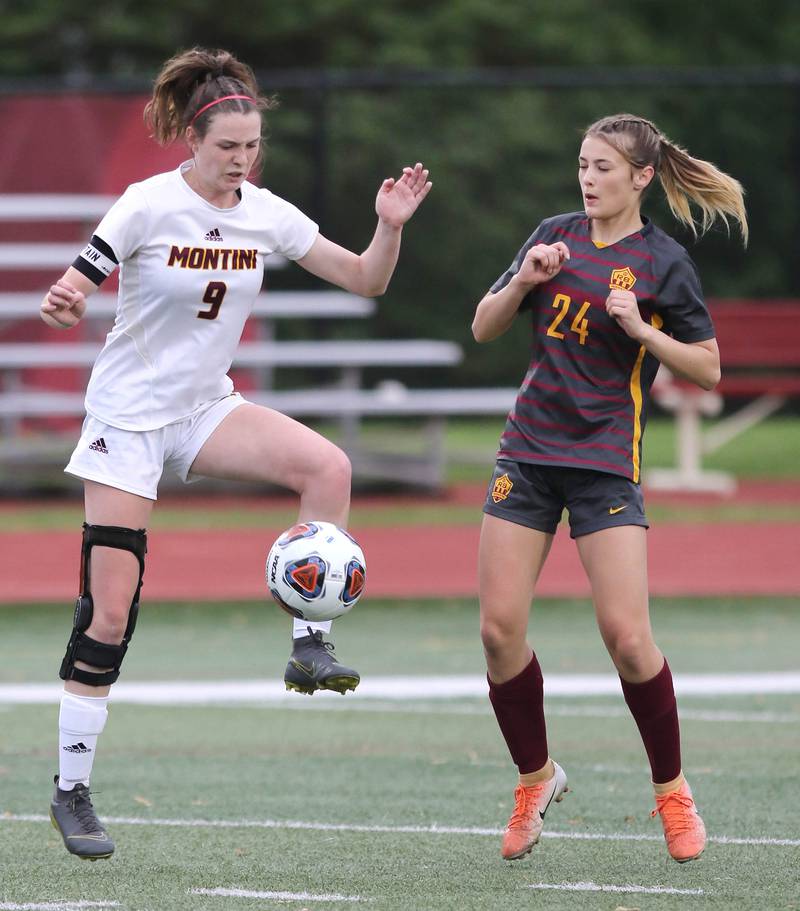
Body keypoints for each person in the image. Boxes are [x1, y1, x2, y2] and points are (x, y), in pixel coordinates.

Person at [41, 47, 431, 860]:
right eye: (228, 149)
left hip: (203, 408)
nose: (242, 163)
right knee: (110, 611)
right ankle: (72, 787)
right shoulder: (147, 204)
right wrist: (69, 296)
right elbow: (83, 277)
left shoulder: (264, 210)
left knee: (328, 467)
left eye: (253, 149)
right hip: (128, 419)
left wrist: (387, 228)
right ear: (193, 139)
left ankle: (307, 643)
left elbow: (364, 280)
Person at [472, 114, 747, 864]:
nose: (588, 179)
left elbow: (709, 368)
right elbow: (484, 324)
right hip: (527, 453)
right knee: (498, 632)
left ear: (641, 177)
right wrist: (525, 278)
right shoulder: (552, 235)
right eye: (583, 164)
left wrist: (643, 331)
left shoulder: (663, 263)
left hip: (603, 463)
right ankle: (536, 778)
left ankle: (672, 790)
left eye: (603, 167)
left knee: (628, 640)